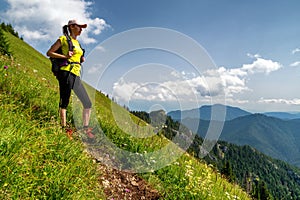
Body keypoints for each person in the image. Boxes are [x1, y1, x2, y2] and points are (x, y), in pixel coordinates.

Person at [47, 19, 94, 138]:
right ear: (72, 27)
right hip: (66, 72)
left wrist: (80, 59)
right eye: (80, 27)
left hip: (76, 74)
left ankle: (85, 128)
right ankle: (64, 129)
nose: (81, 29)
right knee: (65, 100)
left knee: (87, 103)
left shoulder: (77, 43)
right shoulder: (63, 39)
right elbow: (50, 52)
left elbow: (78, 56)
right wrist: (65, 56)